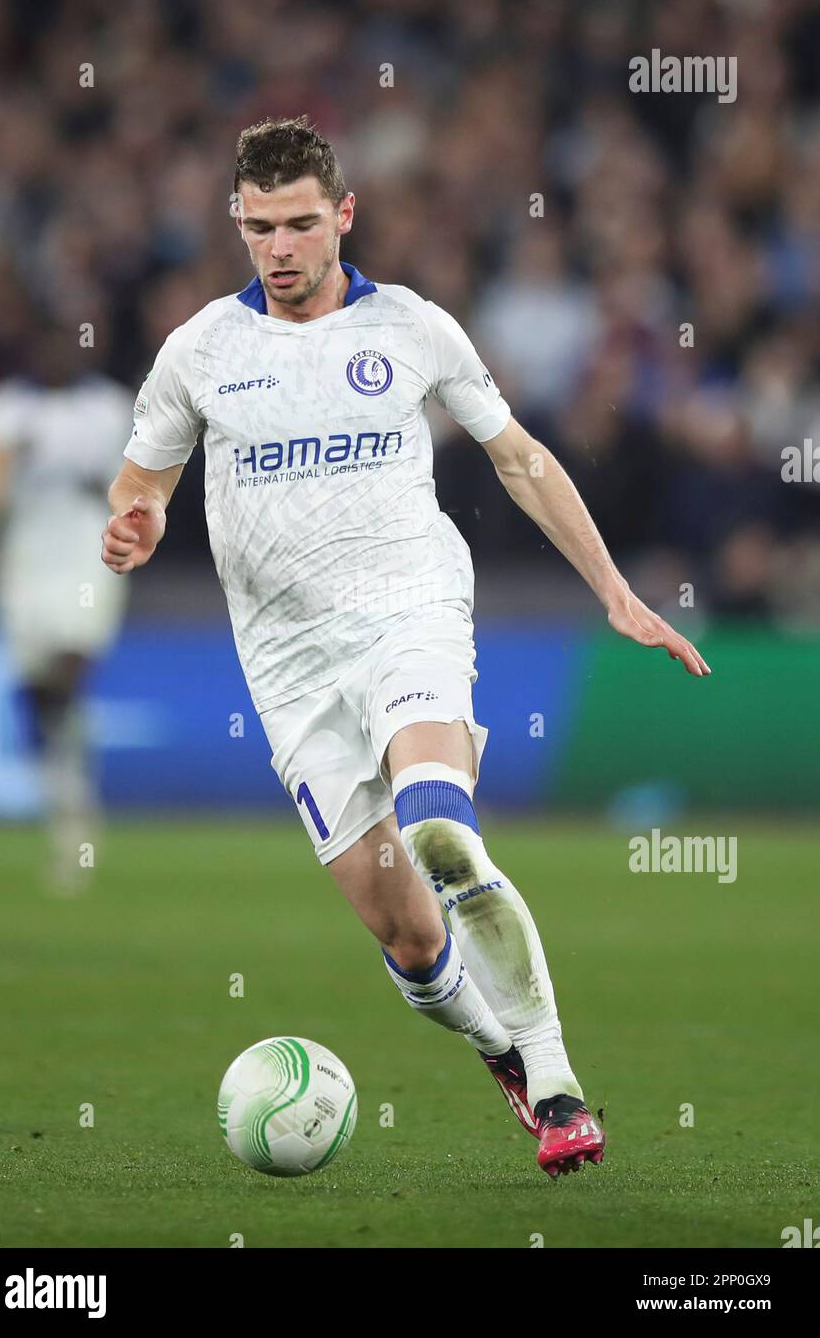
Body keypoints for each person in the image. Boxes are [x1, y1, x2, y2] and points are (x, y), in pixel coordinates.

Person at [102, 117, 710, 1177]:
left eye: (298, 223)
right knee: (411, 938)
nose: (279, 247)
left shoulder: (413, 327)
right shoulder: (199, 350)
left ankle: (557, 1076)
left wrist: (612, 591)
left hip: (409, 610)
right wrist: (138, 522)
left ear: (342, 214)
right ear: (236, 226)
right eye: (257, 228)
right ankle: (500, 1048)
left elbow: (518, 460)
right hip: (287, 663)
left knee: (439, 829)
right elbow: (142, 480)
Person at [0, 320, 132, 891]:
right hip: (25, 558)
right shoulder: (2, 411)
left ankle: (72, 802)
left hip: (88, 551)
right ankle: (73, 815)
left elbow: (137, 484)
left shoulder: (110, 408)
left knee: (68, 659)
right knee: (42, 696)